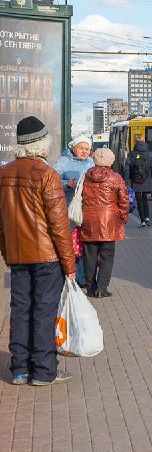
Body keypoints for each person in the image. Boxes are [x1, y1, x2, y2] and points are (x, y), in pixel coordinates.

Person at [0, 116, 76, 386]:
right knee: (44, 312)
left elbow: (1, 223)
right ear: (41, 144)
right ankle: (44, 371)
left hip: (19, 256)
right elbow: (59, 225)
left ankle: (19, 369)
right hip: (47, 257)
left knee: (19, 310)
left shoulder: (5, 173)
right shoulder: (47, 174)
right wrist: (70, 266)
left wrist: (8, 253)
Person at [80, 148, 129, 298]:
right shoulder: (116, 178)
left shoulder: (86, 176)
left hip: (88, 220)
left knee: (89, 256)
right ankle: (101, 288)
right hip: (109, 221)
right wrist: (123, 217)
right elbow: (124, 200)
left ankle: (90, 287)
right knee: (107, 255)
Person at [53, 135, 95, 288]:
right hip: (69, 209)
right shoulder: (64, 162)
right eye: (81, 149)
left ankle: (83, 278)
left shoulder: (91, 162)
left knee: (84, 243)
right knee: (70, 243)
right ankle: (70, 276)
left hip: (86, 209)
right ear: (73, 148)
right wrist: (66, 183)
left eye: (87, 149)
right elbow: (52, 178)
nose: (84, 152)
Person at [124, 134, 152, 227]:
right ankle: (147, 218)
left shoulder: (131, 154)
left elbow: (127, 168)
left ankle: (142, 221)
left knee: (138, 199)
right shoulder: (149, 154)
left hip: (136, 180)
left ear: (135, 142)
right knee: (145, 199)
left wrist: (126, 181)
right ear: (144, 141)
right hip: (147, 179)